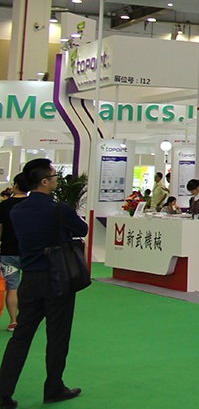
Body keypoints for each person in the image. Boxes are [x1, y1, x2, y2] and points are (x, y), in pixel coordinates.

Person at [0, 159, 88, 407]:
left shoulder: (17, 211)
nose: (56, 179)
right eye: (54, 176)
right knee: (58, 336)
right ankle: (54, 387)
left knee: (21, 336)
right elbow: (82, 229)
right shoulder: (59, 209)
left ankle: (3, 392)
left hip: (30, 279)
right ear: (44, 181)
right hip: (58, 278)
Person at [0, 175, 29, 332]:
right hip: (30, 253)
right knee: (30, 285)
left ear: (15, 185)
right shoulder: (32, 205)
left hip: (8, 252)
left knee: (12, 287)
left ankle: (13, 321)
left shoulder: (4, 206)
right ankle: (28, 318)